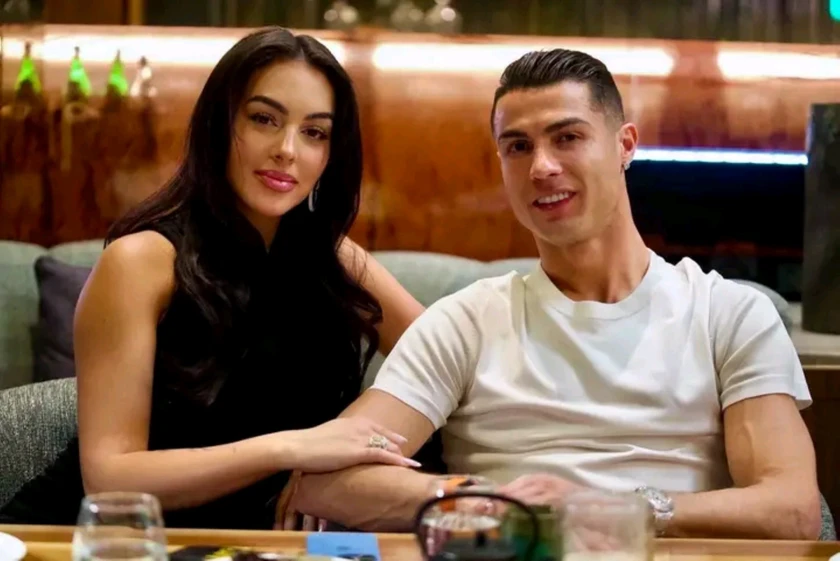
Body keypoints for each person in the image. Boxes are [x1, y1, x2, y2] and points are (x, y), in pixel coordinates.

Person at [285, 49, 821, 540]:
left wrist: (619, 508)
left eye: (567, 137)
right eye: (518, 146)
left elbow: (792, 511)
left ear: (625, 145)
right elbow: (324, 479)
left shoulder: (728, 313)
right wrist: (489, 500)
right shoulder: (466, 321)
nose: (541, 166)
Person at [0, 27, 424, 529]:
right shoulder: (141, 261)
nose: (287, 149)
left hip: (254, 546)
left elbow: (447, 360)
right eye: (264, 119)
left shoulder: (333, 257)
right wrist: (293, 448)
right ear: (219, 124)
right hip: (98, 538)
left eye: (315, 132)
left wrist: (350, 440)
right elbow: (109, 478)